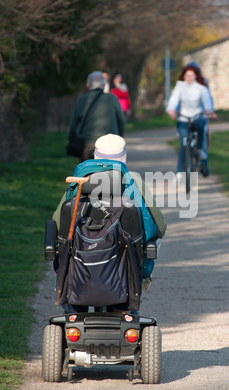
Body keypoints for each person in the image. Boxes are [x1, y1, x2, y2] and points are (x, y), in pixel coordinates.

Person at [52, 134, 167, 314]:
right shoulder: (134, 182)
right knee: (152, 245)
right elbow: (157, 227)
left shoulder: (78, 183)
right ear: (124, 158)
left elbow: (59, 224)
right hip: (125, 269)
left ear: (95, 156)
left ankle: (71, 310)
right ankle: (128, 310)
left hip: (78, 269)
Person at [166, 65, 216, 178]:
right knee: (183, 142)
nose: (189, 78)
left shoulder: (201, 88)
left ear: (196, 76)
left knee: (201, 126)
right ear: (184, 76)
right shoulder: (180, 87)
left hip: (197, 116)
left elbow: (207, 103)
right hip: (184, 117)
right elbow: (174, 99)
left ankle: (200, 151)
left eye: (192, 75)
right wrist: (171, 110)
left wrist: (210, 112)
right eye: (187, 75)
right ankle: (179, 171)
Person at [67, 71, 126, 162]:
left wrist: (71, 139)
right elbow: (121, 121)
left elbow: (73, 124)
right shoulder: (112, 98)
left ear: (88, 85)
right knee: (111, 173)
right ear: (103, 85)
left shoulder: (82, 100)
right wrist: (118, 138)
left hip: (88, 145)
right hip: (110, 145)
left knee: (87, 172)